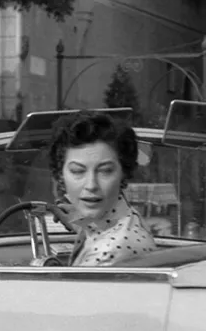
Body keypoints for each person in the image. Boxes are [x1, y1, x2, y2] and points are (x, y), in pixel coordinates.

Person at [48, 110, 157, 267]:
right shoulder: (127, 218)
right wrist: (82, 223)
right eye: (78, 171)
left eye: (105, 171)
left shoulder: (107, 253)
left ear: (123, 173)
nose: (91, 185)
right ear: (60, 175)